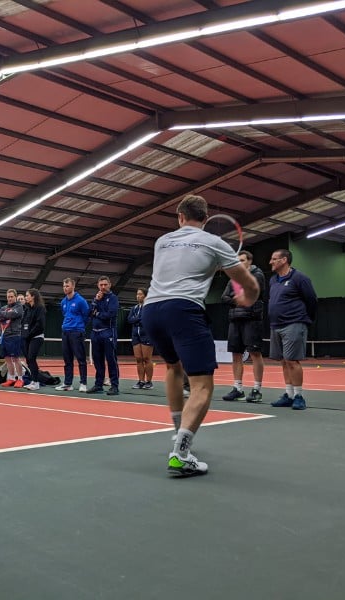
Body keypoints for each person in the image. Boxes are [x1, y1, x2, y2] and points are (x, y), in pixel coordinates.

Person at [142, 195, 259, 477]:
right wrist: (249, 297)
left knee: (172, 367)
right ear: (205, 219)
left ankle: (178, 434)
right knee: (202, 384)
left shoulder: (162, 242)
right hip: (183, 310)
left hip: (151, 310)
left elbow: (183, 265)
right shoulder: (215, 243)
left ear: (180, 217)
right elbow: (248, 282)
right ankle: (181, 453)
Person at [268, 249, 318, 411]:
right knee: (283, 360)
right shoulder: (273, 280)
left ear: (284, 260)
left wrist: (305, 319)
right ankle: (288, 395)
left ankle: (298, 396)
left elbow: (311, 300)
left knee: (292, 360)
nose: (271, 262)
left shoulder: (299, 278)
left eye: (274, 259)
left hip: (294, 323)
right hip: (276, 325)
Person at [219, 251, 267, 403]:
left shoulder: (257, 275)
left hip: (252, 319)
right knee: (236, 354)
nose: (238, 263)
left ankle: (257, 389)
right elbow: (224, 297)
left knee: (255, 353)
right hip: (235, 319)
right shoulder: (234, 278)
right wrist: (237, 299)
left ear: (250, 261)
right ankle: (238, 389)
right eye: (236, 260)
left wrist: (242, 297)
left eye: (242, 260)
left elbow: (252, 294)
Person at [87, 276, 120, 396]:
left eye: (105, 284)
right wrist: (96, 301)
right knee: (97, 360)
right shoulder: (97, 299)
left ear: (110, 285)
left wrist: (98, 313)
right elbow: (89, 313)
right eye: (101, 285)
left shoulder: (113, 298)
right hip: (95, 332)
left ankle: (114, 386)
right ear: (98, 285)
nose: (103, 287)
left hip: (108, 331)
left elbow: (110, 314)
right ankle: (98, 385)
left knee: (111, 359)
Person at [56, 278, 90, 393]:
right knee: (67, 360)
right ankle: (67, 383)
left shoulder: (81, 301)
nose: (65, 288)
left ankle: (83, 383)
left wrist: (79, 326)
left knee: (81, 359)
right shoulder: (63, 302)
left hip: (77, 333)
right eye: (64, 286)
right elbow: (64, 314)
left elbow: (86, 316)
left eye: (67, 286)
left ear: (73, 286)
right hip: (65, 332)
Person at [0, 289, 25, 388]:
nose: (10, 298)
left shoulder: (19, 306)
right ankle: (11, 378)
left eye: (11, 296)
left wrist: (4, 314)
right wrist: (6, 314)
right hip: (5, 336)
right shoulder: (4, 307)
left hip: (15, 335)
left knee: (16, 358)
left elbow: (13, 314)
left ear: (15, 297)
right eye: (8, 297)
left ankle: (20, 379)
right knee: (7, 359)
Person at [128, 287, 154, 390]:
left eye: (140, 294)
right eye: (137, 294)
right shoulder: (134, 308)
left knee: (147, 359)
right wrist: (139, 319)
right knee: (138, 359)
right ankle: (141, 381)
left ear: (145, 296)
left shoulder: (150, 308)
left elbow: (147, 320)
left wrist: (137, 320)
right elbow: (130, 320)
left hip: (147, 335)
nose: (138, 296)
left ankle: (149, 381)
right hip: (135, 335)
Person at [21, 289, 46, 390]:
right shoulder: (27, 309)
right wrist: (24, 334)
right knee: (28, 359)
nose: (26, 297)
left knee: (31, 358)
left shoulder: (40, 308)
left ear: (33, 296)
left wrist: (30, 334)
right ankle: (32, 380)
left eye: (27, 295)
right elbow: (24, 323)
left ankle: (36, 382)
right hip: (27, 338)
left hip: (37, 337)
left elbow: (40, 324)